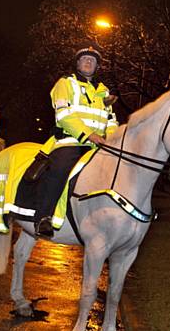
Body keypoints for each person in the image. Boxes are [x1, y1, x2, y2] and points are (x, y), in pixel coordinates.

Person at [32, 46, 118, 238]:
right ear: (77, 63)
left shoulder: (104, 92)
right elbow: (63, 115)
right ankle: (44, 217)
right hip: (70, 141)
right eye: (84, 59)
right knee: (60, 169)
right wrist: (88, 135)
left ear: (97, 67)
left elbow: (111, 120)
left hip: (97, 146)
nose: (88, 62)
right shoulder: (65, 83)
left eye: (92, 60)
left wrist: (112, 139)